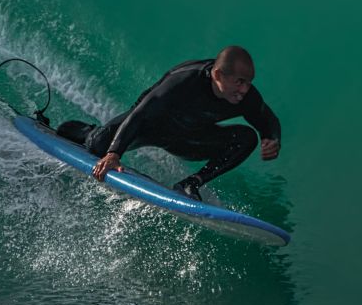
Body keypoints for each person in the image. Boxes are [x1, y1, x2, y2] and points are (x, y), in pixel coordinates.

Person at [55, 46, 281, 200]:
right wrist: (114, 153)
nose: (244, 89)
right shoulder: (184, 80)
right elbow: (140, 114)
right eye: (239, 82)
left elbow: (266, 118)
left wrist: (271, 138)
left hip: (188, 139)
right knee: (97, 146)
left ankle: (191, 183)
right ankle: (87, 131)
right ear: (219, 75)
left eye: (248, 83)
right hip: (147, 128)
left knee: (246, 137)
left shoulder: (244, 96)